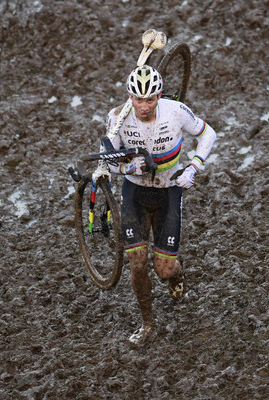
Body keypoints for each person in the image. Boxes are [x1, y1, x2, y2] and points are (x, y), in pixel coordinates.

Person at [105, 65, 217, 345]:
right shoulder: (117, 118)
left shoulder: (175, 110)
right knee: (138, 263)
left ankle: (176, 274)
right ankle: (147, 324)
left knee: (163, 269)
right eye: (138, 99)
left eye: (150, 99)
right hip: (135, 194)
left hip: (169, 191)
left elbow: (208, 134)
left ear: (159, 95)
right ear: (130, 96)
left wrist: (194, 167)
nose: (144, 106)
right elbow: (108, 161)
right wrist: (126, 167)